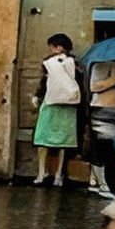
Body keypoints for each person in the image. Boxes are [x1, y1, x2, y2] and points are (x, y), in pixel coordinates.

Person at [31, 33, 80, 186]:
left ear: (59, 47)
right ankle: (58, 174)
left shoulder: (49, 63)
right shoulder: (75, 64)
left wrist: (37, 96)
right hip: (68, 104)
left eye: (52, 46)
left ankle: (42, 173)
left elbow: (44, 82)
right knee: (62, 142)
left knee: (42, 139)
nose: (51, 50)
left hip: (51, 102)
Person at [87, 59, 115, 197]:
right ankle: (104, 184)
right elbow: (94, 86)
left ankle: (108, 183)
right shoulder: (103, 65)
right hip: (104, 107)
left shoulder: (113, 65)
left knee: (109, 148)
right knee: (104, 148)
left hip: (110, 108)